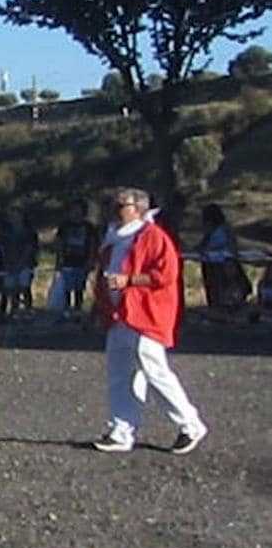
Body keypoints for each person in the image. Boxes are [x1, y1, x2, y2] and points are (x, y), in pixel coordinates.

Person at [90, 188, 208, 455]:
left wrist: (129, 280)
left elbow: (165, 273)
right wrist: (97, 309)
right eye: (113, 204)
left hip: (147, 314)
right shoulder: (112, 239)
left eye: (121, 205)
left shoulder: (153, 236)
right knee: (120, 374)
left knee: (155, 370)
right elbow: (101, 277)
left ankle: (190, 424)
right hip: (118, 314)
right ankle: (121, 430)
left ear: (139, 209)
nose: (115, 210)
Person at [193, 204, 251, 313]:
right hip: (211, 264)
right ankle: (217, 308)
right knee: (215, 289)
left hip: (225, 263)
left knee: (229, 286)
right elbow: (201, 245)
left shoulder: (226, 229)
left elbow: (232, 244)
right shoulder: (209, 231)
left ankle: (233, 306)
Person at [54, 199, 99, 318]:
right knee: (67, 287)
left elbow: (93, 244)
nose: (75, 212)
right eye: (73, 209)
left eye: (78, 209)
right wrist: (59, 260)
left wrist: (91, 260)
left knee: (79, 286)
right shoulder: (64, 226)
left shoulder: (88, 227)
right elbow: (59, 244)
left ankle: (78, 308)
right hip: (68, 260)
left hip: (82, 261)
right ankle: (67, 309)